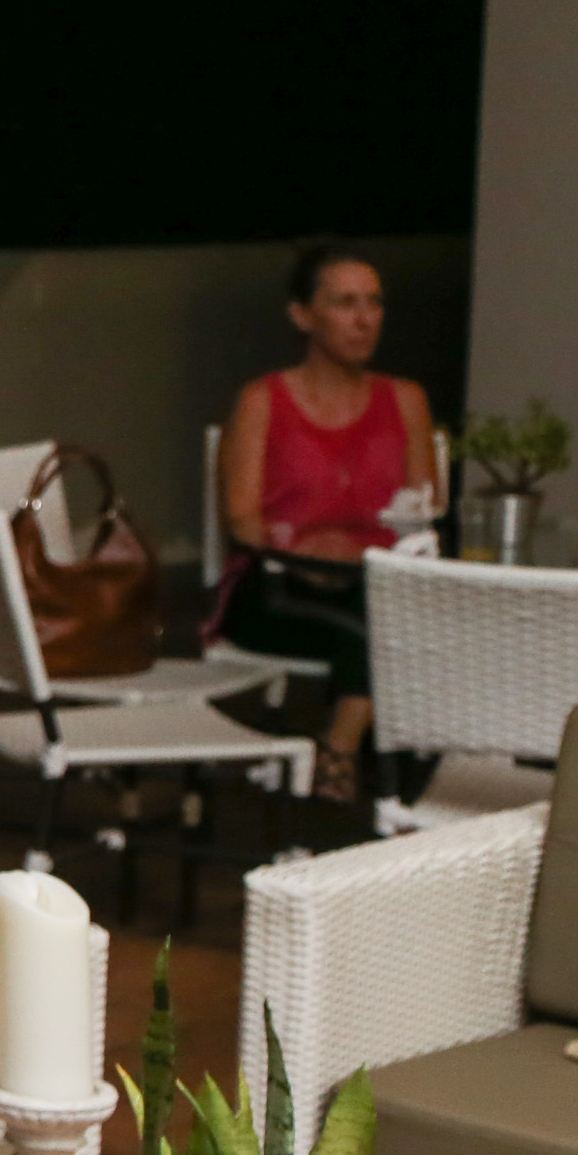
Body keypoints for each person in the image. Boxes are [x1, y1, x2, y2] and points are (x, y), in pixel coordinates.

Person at [213, 246, 437, 800]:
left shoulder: (405, 399)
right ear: (303, 315)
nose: (364, 319)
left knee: (394, 616)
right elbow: (242, 519)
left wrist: (370, 554)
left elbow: (423, 509)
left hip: (376, 583)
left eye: (374, 303)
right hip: (278, 586)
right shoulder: (263, 400)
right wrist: (307, 555)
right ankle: (344, 754)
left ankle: (344, 748)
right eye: (344, 303)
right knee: (376, 627)